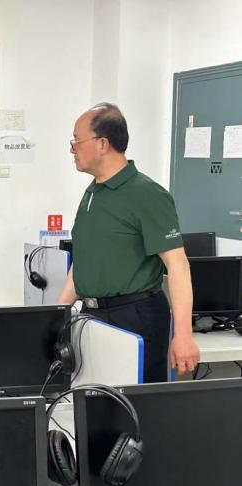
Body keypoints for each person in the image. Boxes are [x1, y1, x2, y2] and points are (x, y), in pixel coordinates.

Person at [58, 103, 199, 382]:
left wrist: (183, 334)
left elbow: (178, 265)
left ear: (102, 144)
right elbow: (85, 259)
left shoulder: (147, 194)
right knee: (94, 398)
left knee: (136, 403)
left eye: (76, 141)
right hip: (91, 315)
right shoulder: (93, 192)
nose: (72, 149)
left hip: (134, 315)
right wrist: (55, 314)